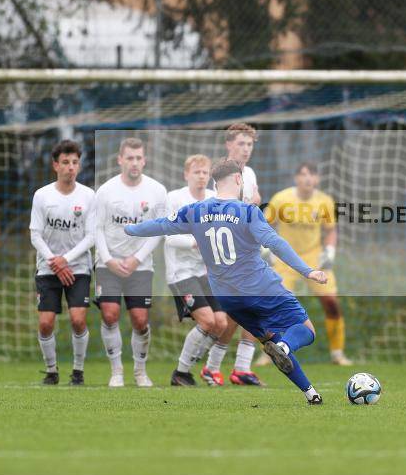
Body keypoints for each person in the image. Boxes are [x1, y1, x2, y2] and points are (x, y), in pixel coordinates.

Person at [125, 159, 328, 405]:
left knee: (270, 341)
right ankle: (286, 348)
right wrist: (308, 271)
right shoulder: (248, 211)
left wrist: (132, 229)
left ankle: (311, 394)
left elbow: (161, 225)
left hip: (228, 299)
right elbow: (275, 243)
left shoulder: (195, 210)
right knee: (306, 331)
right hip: (261, 288)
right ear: (239, 179)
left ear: (214, 182)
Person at [261, 161, 352, 366]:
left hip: (314, 259)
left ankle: (337, 353)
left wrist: (329, 252)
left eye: (312, 174)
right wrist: (266, 250)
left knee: (331, 303)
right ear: (296, 178)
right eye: (303, 174)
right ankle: (268, 351)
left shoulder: (325, 201)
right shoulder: (281, 198)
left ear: (317, 178)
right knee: (273, 306)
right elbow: (265, 225)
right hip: (285, 260)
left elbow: (330, 230)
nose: (307, 178)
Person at [94, 137, 167, 388]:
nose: (134, 163)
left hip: (140, 265)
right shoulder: (105, 191)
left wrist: (136, 259)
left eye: (138, 158)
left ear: (144, 160)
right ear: (120, 160)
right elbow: (97, 229)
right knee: (110, 314)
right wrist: (107, 260)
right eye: (129, 158)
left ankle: (140, 371)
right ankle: (116, 372)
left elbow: (159, 230)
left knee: (139, 320)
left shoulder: (157, 191)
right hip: (108, 264)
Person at [202, 123, 264, 386]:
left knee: (256, 309)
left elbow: (256, 198)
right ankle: (212, 367)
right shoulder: (219, 173)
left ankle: (241, 368)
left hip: (247, 252)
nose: (246, 149)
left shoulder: (248, 173)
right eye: (241, 143)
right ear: (229, 145)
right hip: (225, 255)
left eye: (249, 144)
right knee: (232, 314)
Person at [28, 140, 95, 386]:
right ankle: (51, 371)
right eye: (65, 162)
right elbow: (35, 233)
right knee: (46, 323)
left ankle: (78, 371)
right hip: (48, 268)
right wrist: (54, 262)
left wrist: (65, 260)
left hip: (78, 268)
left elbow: (91, 236)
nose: (71, 167)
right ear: (55, 165)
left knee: (78, 319)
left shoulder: (89, 196)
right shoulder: (42, 195)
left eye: (75, 162)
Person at [164, 155, 229, 386]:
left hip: (207, 272)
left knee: (221, 323)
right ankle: (181, 372)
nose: (201, 176)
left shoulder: (215, 199)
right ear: (186, 175)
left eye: (205, 172)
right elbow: (169, 237)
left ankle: (190, 366)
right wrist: (196, 242)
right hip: (181, 272)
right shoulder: (175, 198)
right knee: (207, 320)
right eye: (196, 172)